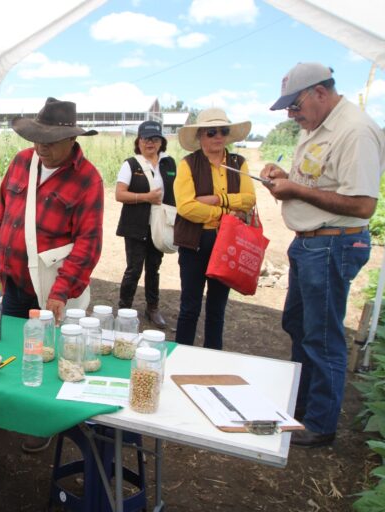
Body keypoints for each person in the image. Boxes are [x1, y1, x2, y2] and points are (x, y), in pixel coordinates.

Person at [260, 63, 385, 447]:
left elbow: (363, 205)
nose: (291, 115)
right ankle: (300, 405)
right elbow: (320, 181)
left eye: (295, 106)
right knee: (298, 325)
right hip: (311, 243)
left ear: (319, 92)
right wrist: (286, 178)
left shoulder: (355, 131)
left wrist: (295, 191)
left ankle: (319, 423)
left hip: (333, 243)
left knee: (323, 336)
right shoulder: (317, 127)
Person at [0, 97, 103, 452]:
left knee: (44, 355)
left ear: (72, 140)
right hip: (13, 280)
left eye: (50, 142)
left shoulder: (88, 179)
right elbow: (3, 211)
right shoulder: (22, 162)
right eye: (37, 139)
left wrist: (61, 292)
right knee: (9, 347)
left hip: (51, 287)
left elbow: (88, 244)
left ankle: (39, 421)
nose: (41, 148)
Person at [173, 108, 256, 350]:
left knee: (217, 308)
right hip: (196, 242)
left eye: (223, 131)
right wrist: (226, 213)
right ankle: (182, 355)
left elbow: (250, 199)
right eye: (211, 132)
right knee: (190, 306)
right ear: (200, 135)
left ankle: (213, 356)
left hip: (227, 241)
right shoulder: (188, 164)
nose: (218, 136)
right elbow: (186, 207)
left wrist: (217, 199)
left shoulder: (239, 162)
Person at [115, 120, 177, 328]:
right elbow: (120, 194)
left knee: (154, 268)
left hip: (160, 225)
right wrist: (146, 197)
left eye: (154, 139)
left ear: (161, 142)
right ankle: (124, 309)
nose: (150, 142)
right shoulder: (131, 164)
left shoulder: (169, 163)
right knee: (133, 269)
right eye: (145, 138)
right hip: (135, 225)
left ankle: (153, 308)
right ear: (138, 141)